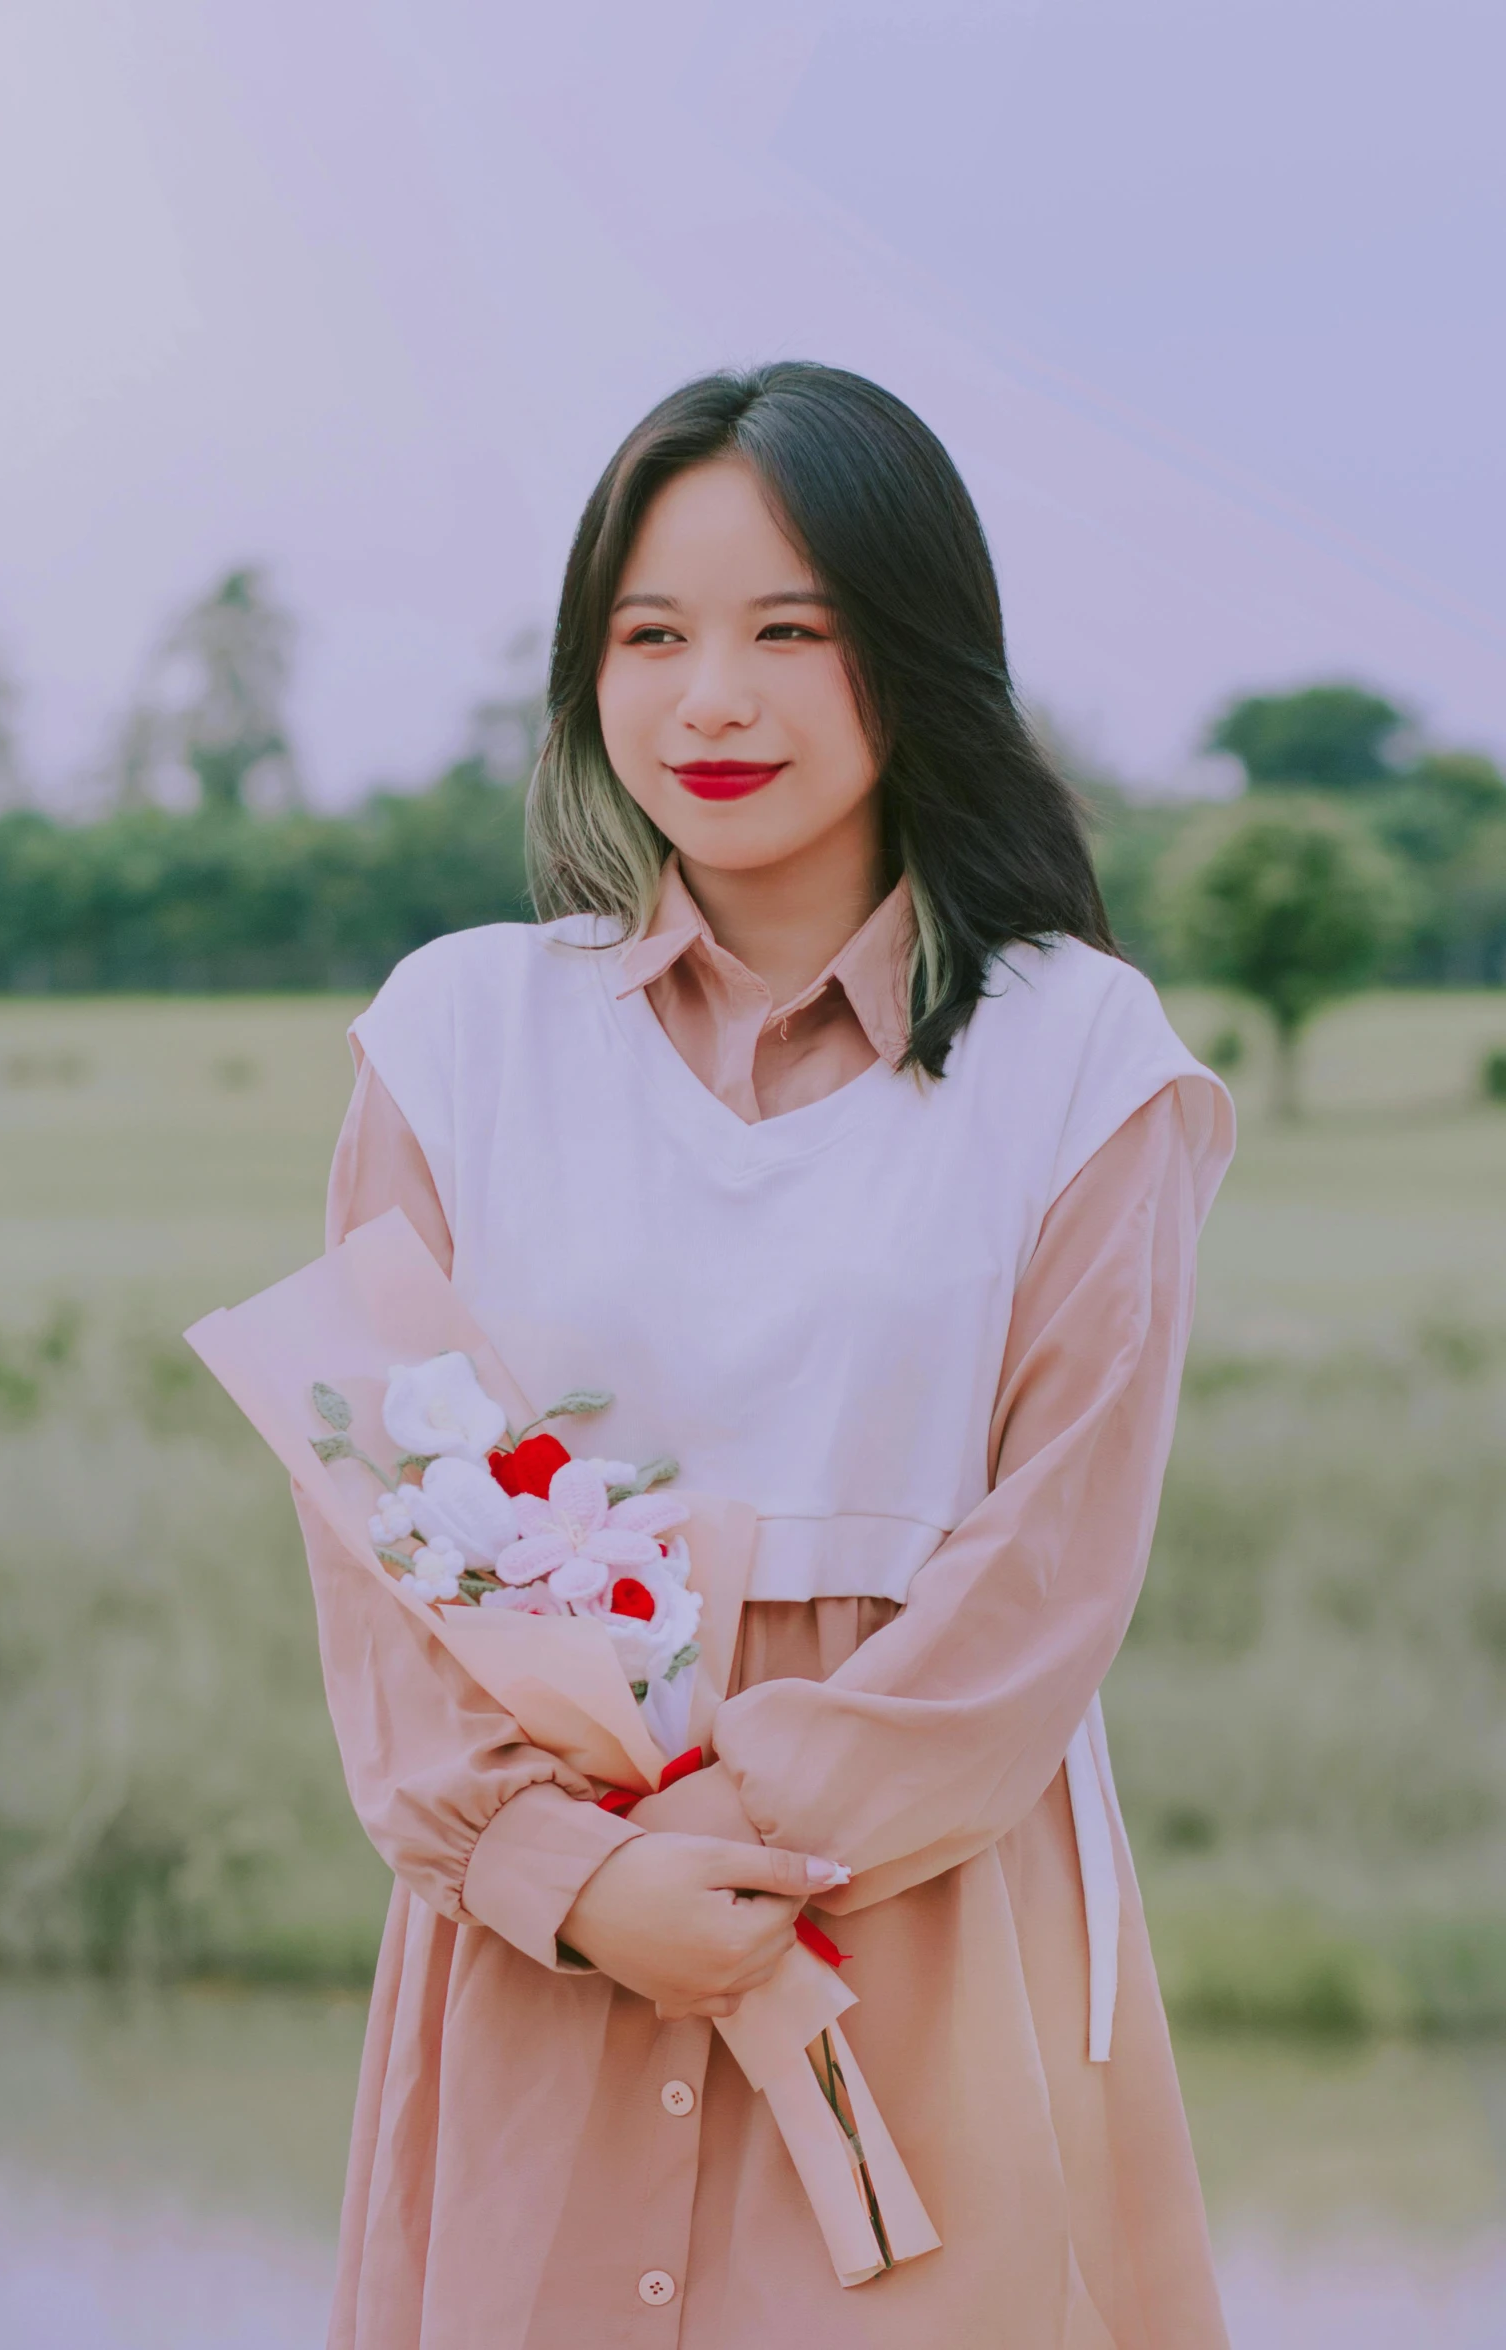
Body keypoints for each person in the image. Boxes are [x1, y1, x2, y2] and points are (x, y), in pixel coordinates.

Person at [299, 362, 1235, 2349]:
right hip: (546, 1928)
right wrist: (564, 1862)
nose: (711, 697)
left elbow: (1047, 1569)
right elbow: (397, 1534)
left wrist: (733, 1833)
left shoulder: (1081, 1060)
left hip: (919, 1906)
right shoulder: (458, 1037)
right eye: (652, 636)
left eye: (787, 631)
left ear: (915, 655)